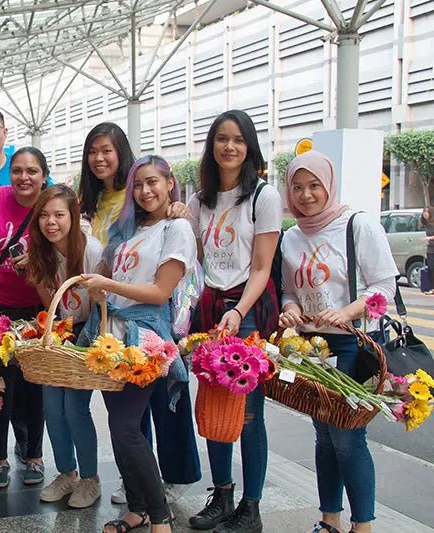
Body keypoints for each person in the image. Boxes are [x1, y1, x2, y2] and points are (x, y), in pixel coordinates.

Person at [78, 122, 200, 506]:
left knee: (127, 426)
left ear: (170, 184)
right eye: (139, 185)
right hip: (114, 335)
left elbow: (161, 291)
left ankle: (157, 512)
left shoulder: (177, 228)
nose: (146, 191)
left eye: (153, 183)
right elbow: (111, 271)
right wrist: (100, 285)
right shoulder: (129, 228)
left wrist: (109, 285)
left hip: (147, 336)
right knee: (122, 427)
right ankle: (137, 507)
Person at [279, 151, 397, 533]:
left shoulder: (357, 224)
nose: (306, 195)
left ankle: (362, 525)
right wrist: (291, 311)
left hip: (352, 345)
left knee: (347, 437)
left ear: (329, 185)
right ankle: (329, 519)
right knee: (324, 436)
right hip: (313, 350)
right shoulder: (291, 236)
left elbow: (384, 287)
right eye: (297, 187)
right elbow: (289, 291)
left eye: (314, 185)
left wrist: (347, 312)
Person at [187, 109, 282, 533]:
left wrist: (239, 311)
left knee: (248, 413)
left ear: (250, 147)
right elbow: (194, 260)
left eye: (239, 139)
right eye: (222, 138)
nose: (229, 147)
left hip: (247, 310)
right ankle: (221, 496)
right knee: (214, 406)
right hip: (210, 311)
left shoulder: (264, 196)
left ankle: (251, 506)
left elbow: (262, 267)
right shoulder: (200, 200)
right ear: (211, 146)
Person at [26, 184, 104, 509]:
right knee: (52, 407)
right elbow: (51, 302)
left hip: (90, 331)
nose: (51, 222)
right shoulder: (41, 252)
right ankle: (66, 473)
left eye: (59, 214)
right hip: (61, 331)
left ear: (73, 216)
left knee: (75, 407)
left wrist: (87, 342)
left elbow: (102, 304)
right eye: (44, 215)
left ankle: (90, 479)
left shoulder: (92, 251)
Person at [0, 147, 49, 489]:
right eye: (17, 170)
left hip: (38, 309)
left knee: (34, 386)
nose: (24, 177)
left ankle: (34, 454)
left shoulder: (50, 204)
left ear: (44, 176)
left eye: (32, 171)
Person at [420, 206, 434, 294]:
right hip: (430, 249)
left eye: (427, 212)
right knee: (431, 268)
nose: (425, 213)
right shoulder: (425, 224)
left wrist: (429, 238)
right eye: (424, 211)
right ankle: (432, 288)